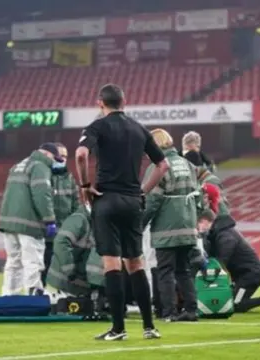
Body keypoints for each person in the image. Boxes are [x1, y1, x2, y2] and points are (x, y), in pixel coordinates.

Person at [75, 84, 169, 341]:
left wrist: (85, 186)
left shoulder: (97, 126)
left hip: (106, 199)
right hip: (132, 201)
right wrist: (143, 191)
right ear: (124, 101)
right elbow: (162, 164)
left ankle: (118, 329)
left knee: (111, 263)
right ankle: (149, 327)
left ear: (100, 103)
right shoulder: (139, 128)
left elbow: (81, 154)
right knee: (136, 262)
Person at [142, 128, 200, 322]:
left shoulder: (158, 166)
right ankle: (191, 310)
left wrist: (140, 224)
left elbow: (152, 201)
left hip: (167, 228)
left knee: (165, 271)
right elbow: (198, 196)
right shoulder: (188, 164)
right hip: (188, 225)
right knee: (184, 270)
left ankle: (169, 312)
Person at [0, 143, 63, 296]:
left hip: (8, 222)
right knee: (32, 260)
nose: (55, 163)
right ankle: (34, 293)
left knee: (14, 261)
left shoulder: (18, 166)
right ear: (47, 154)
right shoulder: (40, 166)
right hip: (29, 223)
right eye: (55, 159)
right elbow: (42, 194)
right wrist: (49, 220)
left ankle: (9, 295)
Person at [197, 209, 260, 313]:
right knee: (229, 302)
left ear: (205, 221)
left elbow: (222, 258)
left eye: (199, 223)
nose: (199, 227)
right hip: (246, 275)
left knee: (235, 305)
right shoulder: (221, 232)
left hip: (250, 276)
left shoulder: (225, 235)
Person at [46, 204, 104, 298]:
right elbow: (61, 243)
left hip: (79, 288)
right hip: (62, 287)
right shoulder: (79, 219)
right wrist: (70, 271)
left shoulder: (99, 221)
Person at [42, 143, 79, 286]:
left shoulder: (69, 178)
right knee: (43, 266)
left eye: (65, 156)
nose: (62, 159)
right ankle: (41, 294)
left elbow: (76, 204)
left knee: (66, 268)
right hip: (46, 232)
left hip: (64, 233)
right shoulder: (43, 175)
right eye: (59, 155)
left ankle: (63, 294)